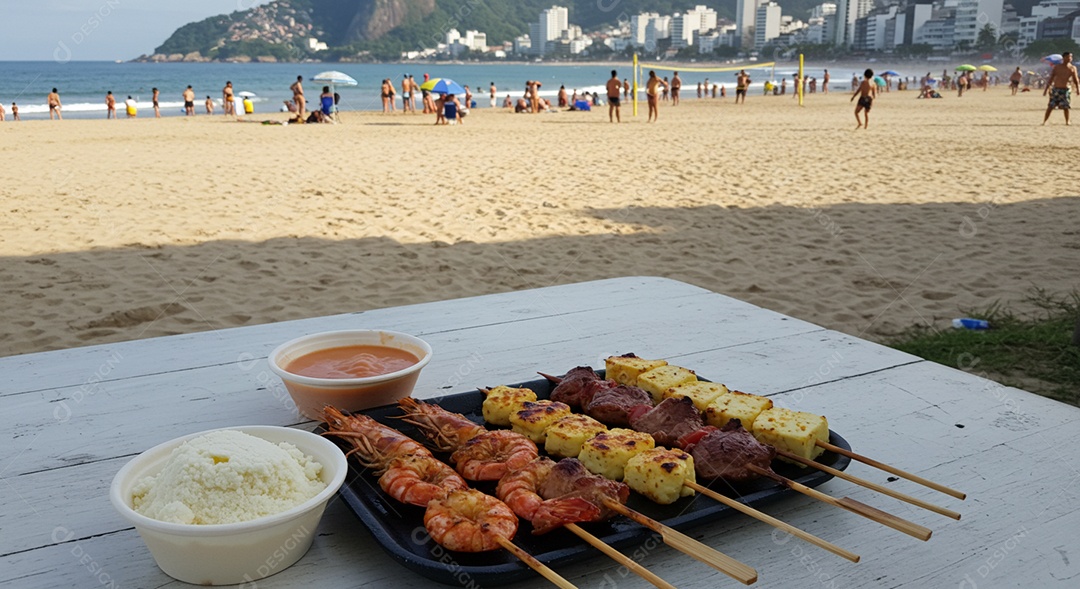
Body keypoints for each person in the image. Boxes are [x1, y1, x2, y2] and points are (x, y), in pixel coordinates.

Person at [1043, 52, 1079, 125]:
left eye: (1071, 57)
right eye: (1068, 57)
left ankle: (1067, 121)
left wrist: (1078, 89)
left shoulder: (1072, 68)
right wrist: (1046, 89)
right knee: (1050, 106)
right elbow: (1051, 78)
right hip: (1056, 89)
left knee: (1066, 107)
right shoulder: (1057, 67)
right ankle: (1045, 121)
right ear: (1064, 58)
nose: (1070, 58)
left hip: (1065, 89)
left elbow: (1076, 80)